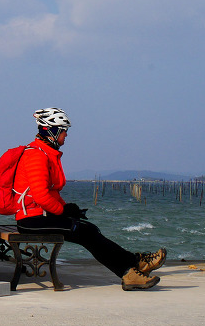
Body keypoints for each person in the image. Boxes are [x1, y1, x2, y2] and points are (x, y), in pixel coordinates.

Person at [12, 107, 167, 291]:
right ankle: (130, 272)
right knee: (85, 232)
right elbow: (41, 196)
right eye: (63, 130)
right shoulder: (36, 155)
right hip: (31, 220)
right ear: (52, 131)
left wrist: (68, 209)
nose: (66, 135)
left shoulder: (46, 153)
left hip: (40, 217)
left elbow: (51, 193)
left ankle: (135, 263)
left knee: (89, 229)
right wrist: (63, 211)